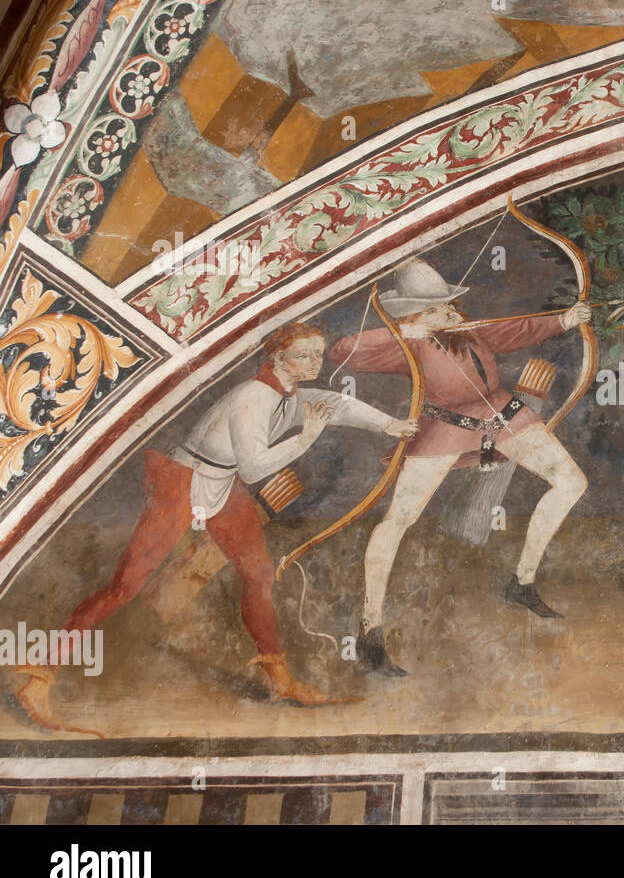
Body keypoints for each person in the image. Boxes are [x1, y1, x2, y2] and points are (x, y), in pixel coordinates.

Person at [13, 324, 418, 736]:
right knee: (124, 587)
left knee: (258, 575)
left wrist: (390, 425)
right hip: (184, 480)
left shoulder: (289, 398)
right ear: (277, 358)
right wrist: (306, 439)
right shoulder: (253, 397)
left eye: (318, 353)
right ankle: (37, 681)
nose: (315, 362)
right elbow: (255, 467)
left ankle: (280, 682)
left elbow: (337, 404)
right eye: (304, 354)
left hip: (222, 484)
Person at [331, 259, 591, 676]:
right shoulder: (408, 341)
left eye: (449, 305)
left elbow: (518, 330)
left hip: (505, 415)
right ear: (414, 315)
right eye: (437, 309)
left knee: (570, 482)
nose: (451, 312)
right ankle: (369, 627)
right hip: (448, 427)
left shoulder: (467, 329)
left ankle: (521, 581)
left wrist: (564, 319)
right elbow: (344, 352)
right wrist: (406, 332)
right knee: (399, 519)